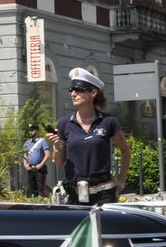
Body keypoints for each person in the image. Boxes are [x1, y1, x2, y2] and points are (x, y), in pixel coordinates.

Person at [45, 67, 131, 206]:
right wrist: (57, 147)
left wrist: (121, 180)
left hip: (104, 195)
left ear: (93, 92)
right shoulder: (64, 123)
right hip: (73, 195)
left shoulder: (108, 122)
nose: (73, 94)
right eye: (71, 90)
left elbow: (126, 151)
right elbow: (60, 164)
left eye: (78, 90)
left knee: (104, 228)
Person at [20, 125, 50, 198]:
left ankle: (42, 207)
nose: (30, 132)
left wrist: (41, 165)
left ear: (37, 131)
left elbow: (48, 154)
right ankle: (34, 206)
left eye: (32, 130)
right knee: (32, 190)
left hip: (40, 169)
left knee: (41, 190)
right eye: (29, 130)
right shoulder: (27, 142)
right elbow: (24, 154)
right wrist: (25, 164)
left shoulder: (42, 141)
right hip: (30, 169)